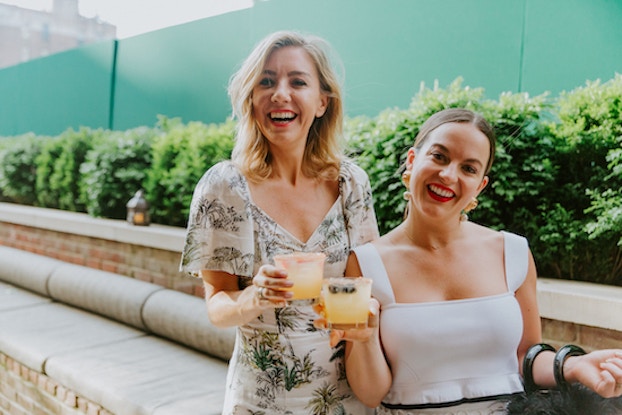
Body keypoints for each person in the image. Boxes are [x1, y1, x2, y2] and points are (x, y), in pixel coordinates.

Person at [335, 108, 622, 414]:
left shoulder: (512, 252)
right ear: (411, 161)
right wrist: (363, 338)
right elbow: (369, 394)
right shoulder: (364, 264)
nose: (448, 175)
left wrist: (573, 365)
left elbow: (527, 356)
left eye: (468, 168)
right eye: (439, 156)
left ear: (480, 186)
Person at [179, 30, 378, 415]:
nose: (280, 93)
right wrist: (255, 295)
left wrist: (366, 315)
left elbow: (360, 290)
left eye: (297, 81)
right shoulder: (225, 187)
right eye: (266, 82)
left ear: (322, 102)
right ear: (252, 99)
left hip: (346, 399)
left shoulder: (351, 184)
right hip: (261, 402)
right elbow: (218, 305)